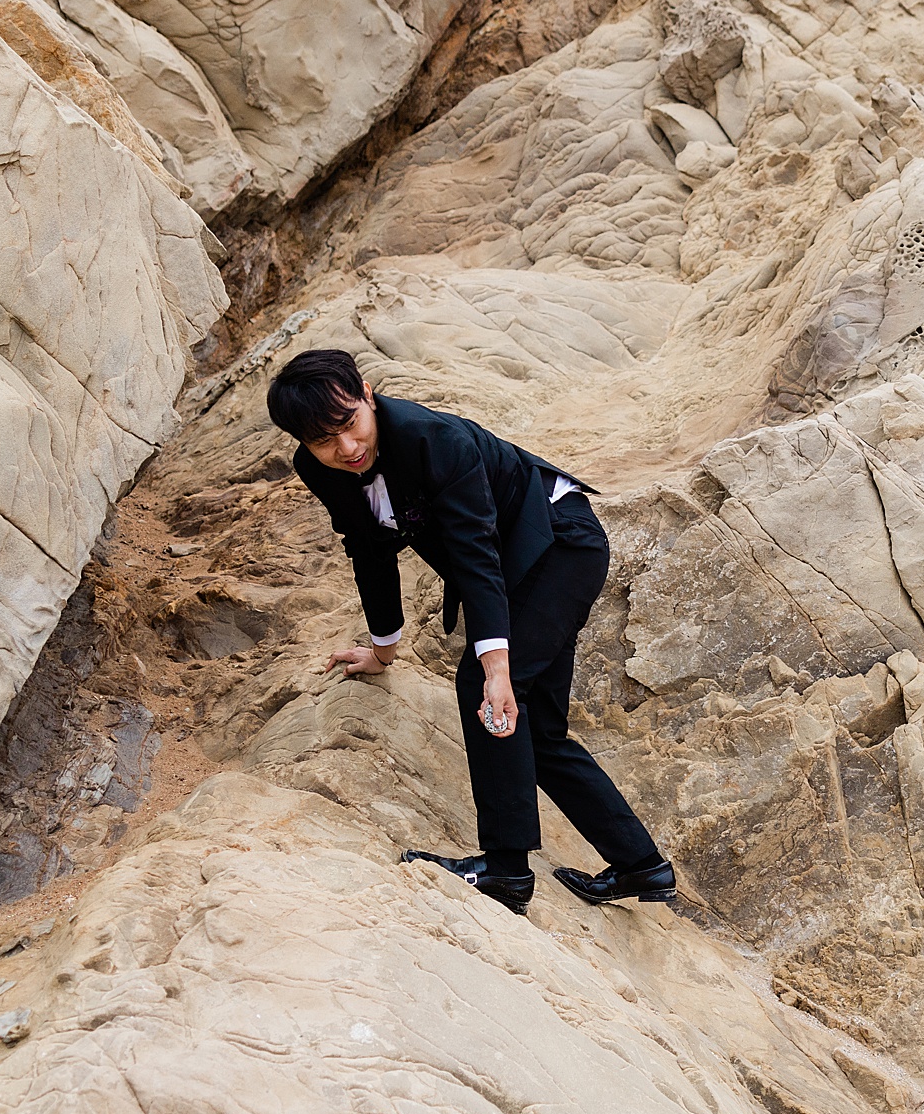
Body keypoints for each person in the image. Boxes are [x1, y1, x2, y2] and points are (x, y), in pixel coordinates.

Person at [264, 348, 676, 916]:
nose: (348, 449)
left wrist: (496, 668)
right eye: (324, 442)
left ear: (366, 391)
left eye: (350, 424)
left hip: (559, 543)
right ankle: (641, 865)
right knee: (538, 730)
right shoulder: (321, 469)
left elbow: (476, 554)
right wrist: (384, 650)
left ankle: (505, 871)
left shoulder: (437, 440)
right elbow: (367, 549)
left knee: (486, 690)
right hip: (514, 559)